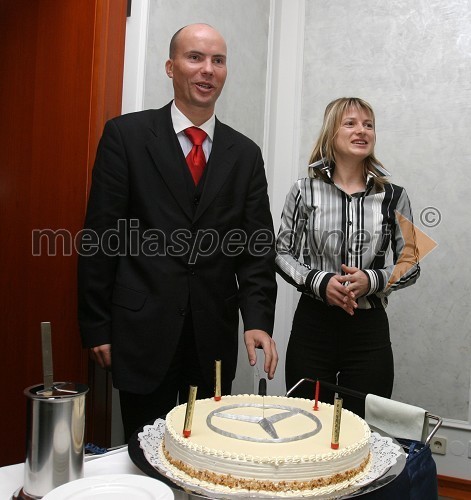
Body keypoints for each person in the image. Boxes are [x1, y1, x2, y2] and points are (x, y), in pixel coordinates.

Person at [78, 23, 278, 441]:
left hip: (212, 339)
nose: (207, 70)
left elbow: (257, 249)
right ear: (171, 67)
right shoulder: (126, 136)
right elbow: (101, 238)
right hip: (139, 331)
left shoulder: (244, 154)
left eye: (218, 61)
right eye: (195, 58)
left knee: (203, 453)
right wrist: (97, 325)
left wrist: (257, 320)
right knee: (145, 451)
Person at [276, 97, 419, 417]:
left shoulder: (395, 196)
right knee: (307, 423)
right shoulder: (303, 190)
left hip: (368, 333)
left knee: (363, 429)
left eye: (368, 125)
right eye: (351, 123)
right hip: (313, 328)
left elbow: (411, 261)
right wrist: (319, 281)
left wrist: (373, 279)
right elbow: (281, 252)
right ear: (331, 133)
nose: (362, 131)